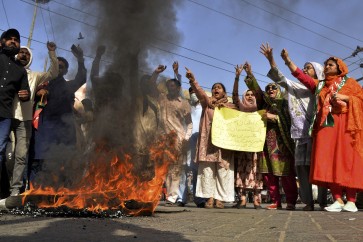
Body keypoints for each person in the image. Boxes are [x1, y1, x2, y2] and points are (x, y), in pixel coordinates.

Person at [288, 55, 363, 212]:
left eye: (330, 64)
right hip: (326, 127)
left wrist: (346, 98)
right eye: (325, 65)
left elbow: (360, 99)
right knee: (330, 161)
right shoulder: (321, 85)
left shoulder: (351, 83)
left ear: (339, 67)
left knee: (347, 160)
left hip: (346, 125)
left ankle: (351, 200)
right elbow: (303, 78)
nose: (327, 67)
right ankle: (337, 199)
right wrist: (288, 61)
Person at [261, 43, 327, 211]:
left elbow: (301, 76)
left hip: (315, 133)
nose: (305, 70)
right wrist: (271, 60)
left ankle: (323, 201)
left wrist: (288, 61)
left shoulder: (319, 87)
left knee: (317, 167)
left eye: (309, 68)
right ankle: (308, 202)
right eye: (304, 67)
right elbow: (280, 78)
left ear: (318, 73)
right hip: (298, 134)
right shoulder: (295, 86)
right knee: (302, 169)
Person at [3, 42, 59, 197]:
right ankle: (4, 187)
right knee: (6, 154)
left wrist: (52, 53)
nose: (23, 55)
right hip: (6, 117)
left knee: (21, 156)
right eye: (21, 52)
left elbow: (53, 72)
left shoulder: (35, 76)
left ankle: (15, 190)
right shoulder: (8, 71)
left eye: (27, 53)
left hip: (25, 120)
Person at [243, 62, 298, 210]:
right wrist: (249, 75)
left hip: (283, 143)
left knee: (286, 173)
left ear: (278, 90)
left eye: (274, 87)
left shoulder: (285, 103)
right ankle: (276, 201)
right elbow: (257, 91)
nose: (270, 90)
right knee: (269, 174)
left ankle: (291, 201)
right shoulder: (264, 103)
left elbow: (290, 120)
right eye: (268, 88)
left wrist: (275, 118)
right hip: (265, 143)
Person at [28, 45, 87, 183]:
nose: (59, 68)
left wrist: (80, 59)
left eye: (62, 67)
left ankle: (63, 197)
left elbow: (82, 78)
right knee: (39, 164)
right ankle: (34, 195)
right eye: (57, 65)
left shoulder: (68, 86)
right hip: (44, 130)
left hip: (64, 131)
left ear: (65, 71)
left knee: (65, 165)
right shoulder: (41, 83)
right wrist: (38, 93)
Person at [185, 67, 237, 209]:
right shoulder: (206, 104)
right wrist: (192, 80)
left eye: (219, 87)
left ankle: (220, 199)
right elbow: (200, 93)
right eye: (214, 88)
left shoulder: (230, 106)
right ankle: (210, 198)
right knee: (208, 171)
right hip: (208, 143)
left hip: (223, 144)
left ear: (224, 92)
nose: (216, 89)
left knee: (222, 170)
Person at [148, 63, 193, 206]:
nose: (170, 89)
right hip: (161, 137)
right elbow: (151, 87)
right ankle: (160, 194)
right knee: (160, 167)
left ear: (178, 88)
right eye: (169, 87)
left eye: (173, 87)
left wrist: (186, 137)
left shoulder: (184, 103)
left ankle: (173, 196)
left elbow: (189, 123)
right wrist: (155, 73)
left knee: (175, 168)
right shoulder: (162, 98)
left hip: (177, 138)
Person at [0, 28, 30, 195]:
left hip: (4, 115)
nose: (13, 41)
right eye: (9, 38)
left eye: (16, 40)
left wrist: (26, 95)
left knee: (0, 151)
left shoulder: (20, 70)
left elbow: (25, 91)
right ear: (2, 42)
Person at [232, 64, 264, 209]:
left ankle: (257, 200)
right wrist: (237, 77)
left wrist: (250, 73)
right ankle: (243, 199)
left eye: (252, 94)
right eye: (247, 95)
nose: (250, 96)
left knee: (256, 170)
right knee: (242, 170)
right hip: (242, 144)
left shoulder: (260, 107)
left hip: (257, 144)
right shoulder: (241, 107)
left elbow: (260, 93)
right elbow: (234, 96)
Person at [187, 86, 206, 207]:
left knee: (201, 171)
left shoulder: (204, 107)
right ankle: (193, 198)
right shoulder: (187, 107)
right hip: (188, 142)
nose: (193, 94)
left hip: (202, 141)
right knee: (191, 170)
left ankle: (201, 198)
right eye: (191, 93)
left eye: (195, 92)